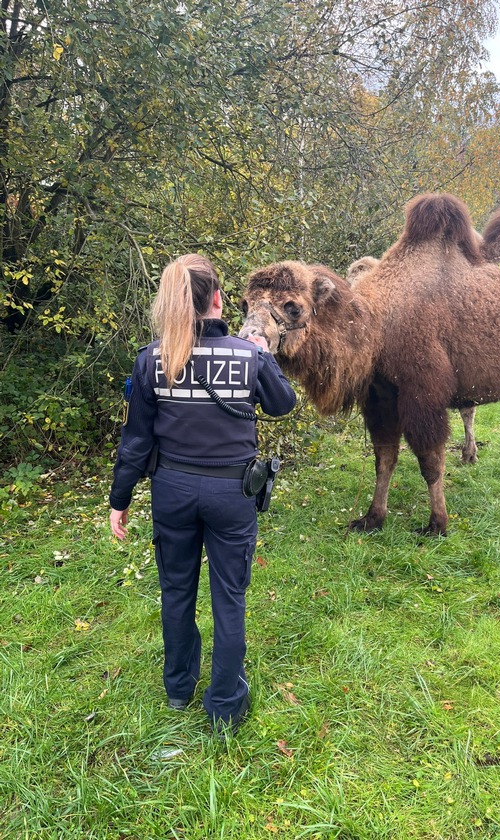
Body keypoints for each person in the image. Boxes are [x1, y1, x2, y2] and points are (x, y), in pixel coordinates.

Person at [108, 254, 296, 736]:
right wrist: (264, 353)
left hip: (172, 489)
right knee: (229, 597)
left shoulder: (152, 359)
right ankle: (225, 705)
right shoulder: (249, 355)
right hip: (232, 493)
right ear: (216, 298)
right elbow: (283, 404)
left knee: (176, 589)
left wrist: (120, 498)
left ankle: (177, 687)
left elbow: (136, 440)